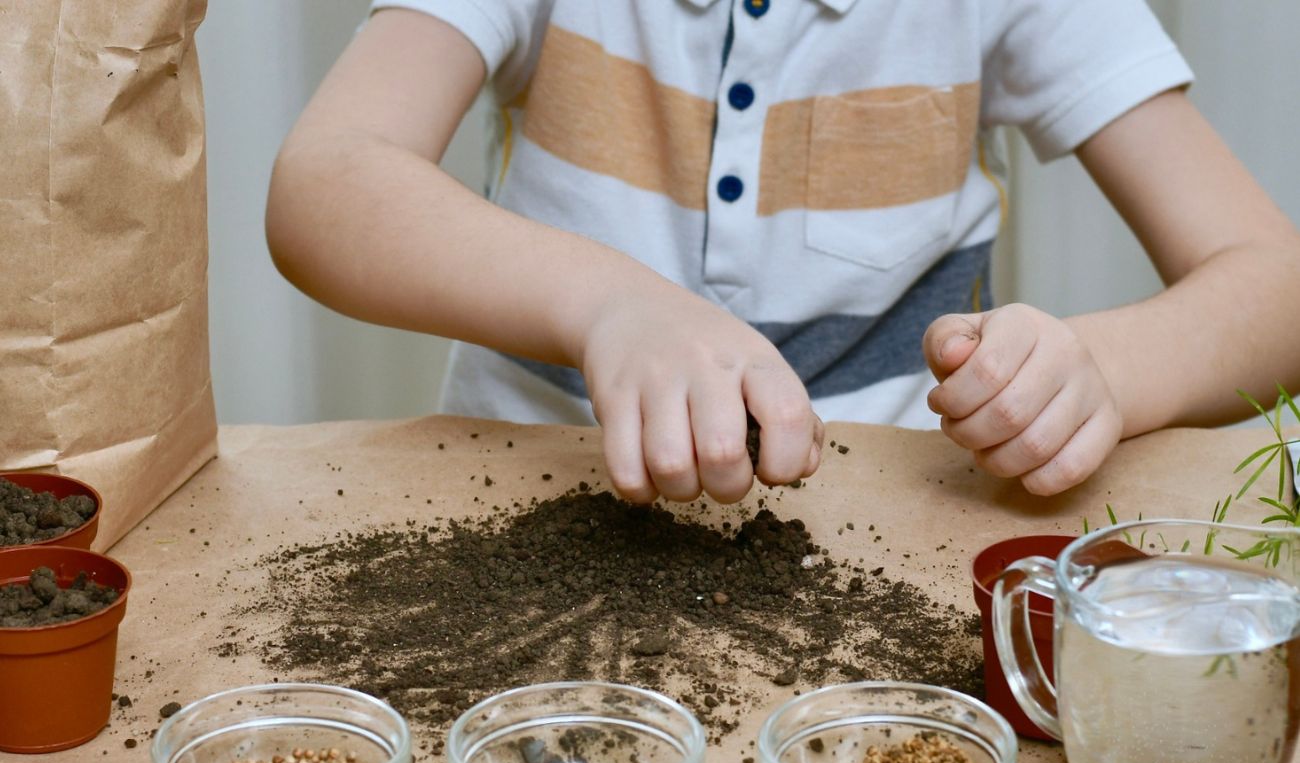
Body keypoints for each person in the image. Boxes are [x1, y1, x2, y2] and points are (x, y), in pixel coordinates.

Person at [265, 0, 1300, 505]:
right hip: (519, 508)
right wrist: (609, 305)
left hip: (887, 540)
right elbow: (324, 183)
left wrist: (1105, 370)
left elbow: (1275, 284)